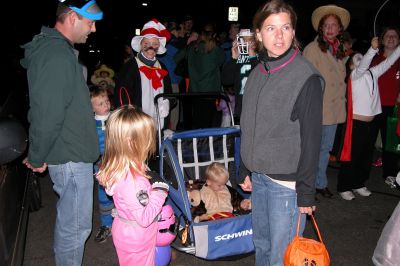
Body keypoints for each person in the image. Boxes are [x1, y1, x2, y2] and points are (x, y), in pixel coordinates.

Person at [239, 0, 324, 265]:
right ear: (259, 34)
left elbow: (312, 141)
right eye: (271, 28)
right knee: (262, 247)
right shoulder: (256, 73)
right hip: (260, 178)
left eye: (285, 28)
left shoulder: (305, 77)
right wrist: (244, 167)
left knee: (282, 257)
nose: (279, 36)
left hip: (286, 186)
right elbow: (248, 125)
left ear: (293, 31)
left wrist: (306, 192)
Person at [20, 1, 103, 265]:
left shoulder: (59, 52)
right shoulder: (55, 55)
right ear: (71, 18)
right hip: (70, 156)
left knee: (72, 226)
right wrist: (36, 155)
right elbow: (47, 114)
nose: (94, 28)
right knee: (75, 229)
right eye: (90, 22)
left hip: (71, 152)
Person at [96, 106, 169, 266]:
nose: (151, 141)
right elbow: (145, 217)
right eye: (147, 137)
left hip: (129, 232)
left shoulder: (123, 167)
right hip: (137, 237)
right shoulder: (133, 181)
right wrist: (160, 191)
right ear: (131, 142)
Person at [337, 37, 400, 200]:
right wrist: (372, 50)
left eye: (361, 56)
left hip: (371, 124)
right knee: (352, 156)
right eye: (356, 58)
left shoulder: (372, 73)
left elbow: (389, 62)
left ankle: (359, 183)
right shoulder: (355, 75)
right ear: (350, 65)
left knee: (365, 156)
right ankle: (344, 186)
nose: (359, 58)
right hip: (356, 124)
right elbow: (364, 64)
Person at [303, 4, 350, 199]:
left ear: (340, 29)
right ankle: (306, 186)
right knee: (311, 150)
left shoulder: (339, 51)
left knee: (325, 149)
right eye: (327, 25)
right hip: (317, 108)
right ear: (321, 28)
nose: (330, 29)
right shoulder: (312, 49)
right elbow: (304, 79)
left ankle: (320, 183)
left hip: (334, 109)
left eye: (334, 25)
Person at [114, 19, 172, 131]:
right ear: (141, 45)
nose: (151, 47)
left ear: (158, 47)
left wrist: (168, 103)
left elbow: (169, 93)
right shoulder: (130, 67)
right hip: (137, 124)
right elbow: (121, 96)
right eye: (147, 44)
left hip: (158, 122)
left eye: (155, 44)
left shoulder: (162, 67)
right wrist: (129, 117)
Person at [370, 27, 400, 187]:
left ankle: (390, 174)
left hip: (393, 108)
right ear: (381, 40)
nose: (391, 38)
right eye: (387, 36)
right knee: (368, 141)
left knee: (390, 143)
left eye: (394, 36)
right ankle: (361, 175)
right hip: (374, 107)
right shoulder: (375, 59)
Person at [89, 86, 115, 242]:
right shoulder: (90, 124)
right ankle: (107, 225)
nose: (105, 105)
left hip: (117, 162)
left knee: (122, 194)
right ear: (91, 108)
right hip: (100, 165)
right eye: (100, 104)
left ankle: (123, 222)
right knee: (104, 195)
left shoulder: (115, 117)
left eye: (106, 101)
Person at [221, 28, 258, 122]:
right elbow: (226, 80)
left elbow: (262, 78)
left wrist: (253, 57)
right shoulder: (237, 57)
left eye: (247, 40)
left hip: (258, 107)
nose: (245, 43)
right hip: (241, 106)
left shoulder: (262, 57)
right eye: (242, 39)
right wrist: (233, 59)